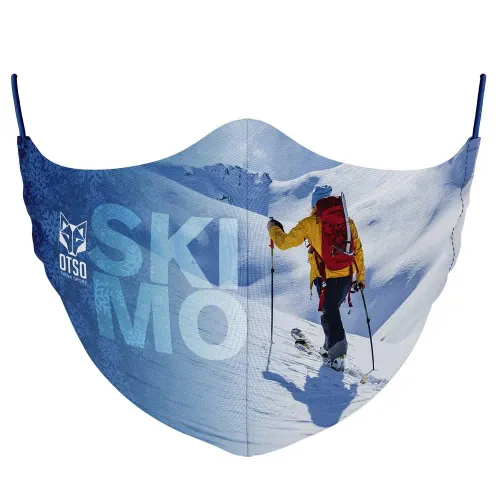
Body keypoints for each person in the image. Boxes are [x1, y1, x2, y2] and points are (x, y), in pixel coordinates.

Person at [267, 185, 365, 371]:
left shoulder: (309, 223)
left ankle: (337, 354)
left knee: (329, 313)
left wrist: (273, 229)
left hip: (326, 278)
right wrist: (360, 277)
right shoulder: (347, 222)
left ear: (314, 204)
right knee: (330, 311)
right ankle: (330, 348)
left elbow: (284, 243)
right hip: (346, 276)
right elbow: (358, 250)